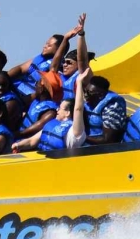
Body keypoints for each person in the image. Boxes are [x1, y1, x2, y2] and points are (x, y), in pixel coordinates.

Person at [14, 17, 91, 154]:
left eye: (69, 63)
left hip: (74, 118)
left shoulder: (79, 78)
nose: (65, 65)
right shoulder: (59, 78)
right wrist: (66, 39)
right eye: (64, 62)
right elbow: (54, 65)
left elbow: (83, 60)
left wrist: (81, 35)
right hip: (62, 114)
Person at [81, 73, 128, 146]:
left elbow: (108, 140)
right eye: (85, 91)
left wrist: (80, 137)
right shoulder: (89, 99)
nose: (85, 94)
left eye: (89, 92)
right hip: (86, 141)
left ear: (100, 95)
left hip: (101, 148)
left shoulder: (113, 107)